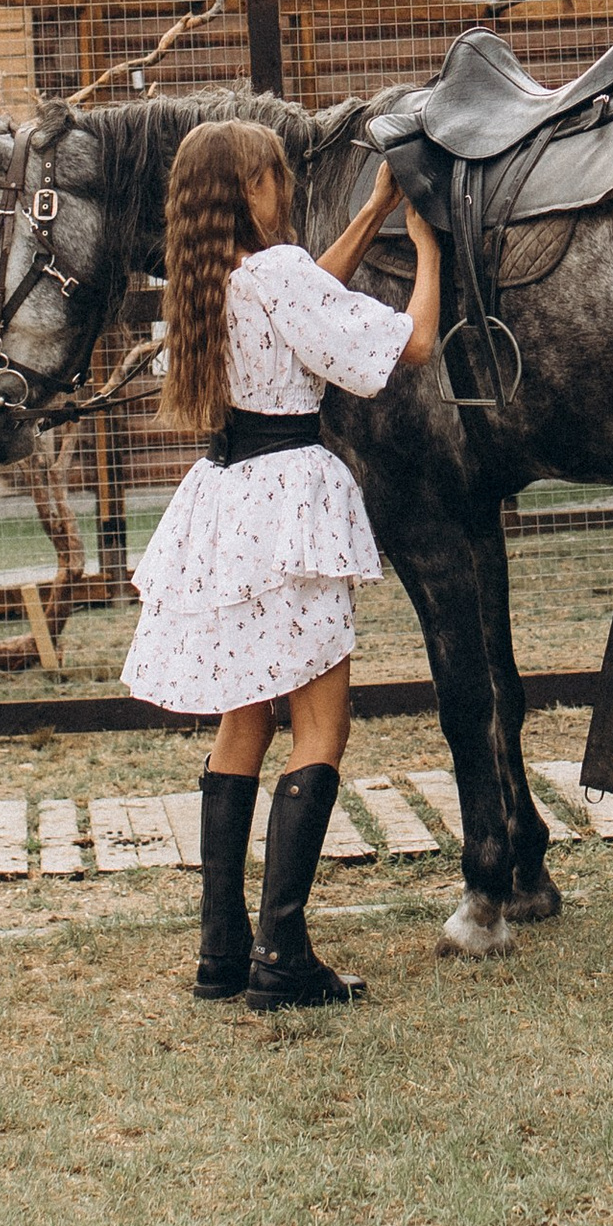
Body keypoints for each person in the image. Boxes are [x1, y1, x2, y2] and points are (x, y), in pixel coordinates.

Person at [122, 118, 440, 1010]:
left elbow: (303, 298)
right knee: (320, 730)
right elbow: (408, 346)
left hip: (225, 504)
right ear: (247, 190)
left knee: (243, 724)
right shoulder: (277, 275)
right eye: (272, 176)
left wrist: (369, 214)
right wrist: (425, 249)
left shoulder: (206, 283)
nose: (284, 188)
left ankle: (223, 953)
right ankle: (284, 955)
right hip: (289, 508)